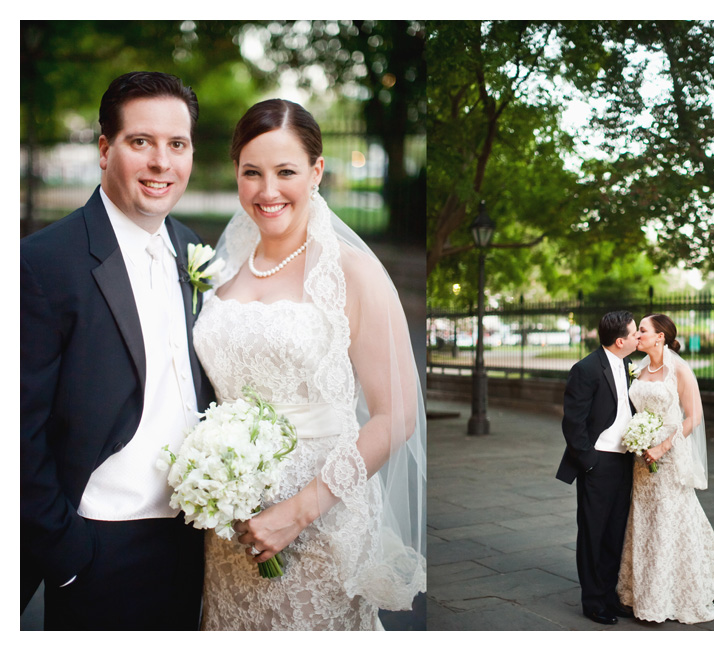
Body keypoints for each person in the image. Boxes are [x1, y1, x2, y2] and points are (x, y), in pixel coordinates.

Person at [193, 99, 426, 630]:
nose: (267, 191)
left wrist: (296, 512)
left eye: (286, 172)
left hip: (320, 522)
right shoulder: (220, 268)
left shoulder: (353, 272)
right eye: (251, 172)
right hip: (229, 523)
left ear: (317, 171)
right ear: (236, 174)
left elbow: (397, 416)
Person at [20, 71, 215, 630]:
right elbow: (19, 428)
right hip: (98, 542)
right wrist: (65, 555)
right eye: (140, 142)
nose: (161, 162)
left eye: (176, 145)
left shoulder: (192, 250)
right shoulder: (43, 262)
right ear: (106, 150)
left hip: (189, 540)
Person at [617, 314, 714, 623]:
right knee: (645, 520)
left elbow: (694, 417)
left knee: (669, 519)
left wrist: (662, 446)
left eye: (643, 330)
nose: (638, 334)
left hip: (667, 456)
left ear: (660, 337)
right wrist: (638, 439)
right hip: (641, 459)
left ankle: (670, 593)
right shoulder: (637, 370)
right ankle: (643, 591)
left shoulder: (678, 370)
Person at [556, 311, 638, 625]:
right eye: (633, 334)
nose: (637, 338)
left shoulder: (629, 365)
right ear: (620, 341)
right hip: (598, 464)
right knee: (593, 533)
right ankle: (592, 601)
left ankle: (609, 596)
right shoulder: (586, 369)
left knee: (615, 532)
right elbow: (573, 422)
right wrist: (589, 462)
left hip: (624, 462)